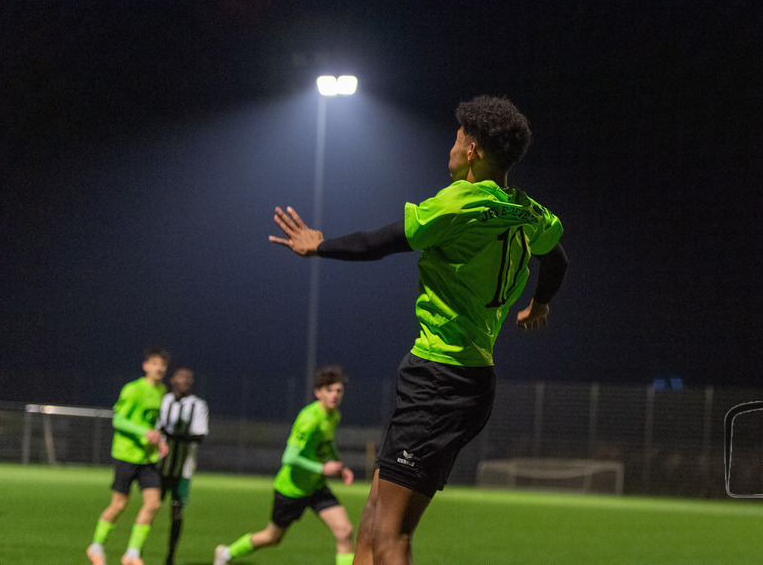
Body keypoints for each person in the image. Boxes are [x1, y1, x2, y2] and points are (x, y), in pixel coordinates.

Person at [268, 95, 568, 564]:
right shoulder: (530, 212)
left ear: (473, 150)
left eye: (456, 139)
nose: (451, 147)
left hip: (440, 380)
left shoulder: (460, 201)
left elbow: (379, 242)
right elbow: (558, 260)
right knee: (372, 523)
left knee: (391, 536)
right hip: (464, 378)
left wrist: (320, 246)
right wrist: (540, 303)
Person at [213, 365, 355, 565]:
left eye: (338, 391)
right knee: (272, 538)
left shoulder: (334, 415)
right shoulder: (309, 419)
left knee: (345, 532)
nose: (335, 395)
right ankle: (226, 553)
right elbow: (289, 458)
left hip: (315, 487)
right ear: (318, 393)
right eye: (329, 390)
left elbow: (327, 443)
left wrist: (340, 467)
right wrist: (322, 468)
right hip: (291, 490)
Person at [87, 346, 170, 565]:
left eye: (162, 364)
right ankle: (96, 547)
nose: (159, 368)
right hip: (126, 455)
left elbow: (153, 423)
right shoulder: (133, 389)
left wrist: (161, 440)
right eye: (154, 363)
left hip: (147, 459)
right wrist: (144, 432)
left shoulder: (162, 391)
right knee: (119, 505)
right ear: (145, 366)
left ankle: (132, 554)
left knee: (153, 504)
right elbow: (118, 420)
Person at [157, 367, 209, 565]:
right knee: (150, 508)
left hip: (183, 469)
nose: (185, 380)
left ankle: (170, 556)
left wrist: (170, 435)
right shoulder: (163, 400)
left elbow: (200, 436)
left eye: (189, 377)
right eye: (181, 376)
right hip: (159, 467)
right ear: (172, 379)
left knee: (176, 512)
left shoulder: (198, 405)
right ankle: (136, 552)